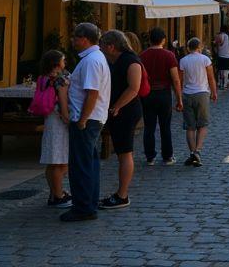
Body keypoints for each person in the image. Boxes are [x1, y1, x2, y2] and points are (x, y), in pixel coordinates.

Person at [60, 22, 110, 222]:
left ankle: (83, 207)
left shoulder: (91, 61)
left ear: (84, 39)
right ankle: (88, 202)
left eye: (74, 37)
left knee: (81, 164)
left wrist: (82, 120)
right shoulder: (94, 58)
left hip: (87, 119)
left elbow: (92, 93)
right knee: (89, 163)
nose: (72, 40)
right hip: (92, 118)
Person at [99, 30, 143, 210]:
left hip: (126, 112)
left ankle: (122, 195)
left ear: (111, 46)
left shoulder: (131, 61)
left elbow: (134, 88)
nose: (100, 49)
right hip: (120, 111)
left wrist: (117, 106)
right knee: (122, 153)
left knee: (125, 153)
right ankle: (120, 194)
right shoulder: (117, 60)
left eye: (102, 46)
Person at [140, 27, 182, 166]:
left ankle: (150, 156)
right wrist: (179, 98)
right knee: (165, 126)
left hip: (148, 94)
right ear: (163, 40)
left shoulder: (143, 55)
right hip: (164, 94)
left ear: (150, 39)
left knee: (149, 126)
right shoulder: (169, 55)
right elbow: (175, 79)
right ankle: (167, 156)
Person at [38, 49, 71, 208]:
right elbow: (63, 104)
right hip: (59, 122)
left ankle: (53, 193)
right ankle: (58, 196)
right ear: (57, 64)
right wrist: (68, 119)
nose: (65, 63)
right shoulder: (60, 80)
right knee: (61, 162)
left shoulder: (43, 79)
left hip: (49, 120)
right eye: (63, 60)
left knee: (52, 162)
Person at [179, 37, 218, 166]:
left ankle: (192, 153)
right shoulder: (205, 59)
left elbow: (179, 80)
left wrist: (179, 96)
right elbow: (211, 78)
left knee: (190, 126)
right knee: (202, 124)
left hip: (187, 94)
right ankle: (198, 151)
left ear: (188, 48)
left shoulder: (183, 61)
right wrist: (214, 92)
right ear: (199, 47)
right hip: (202, 93)